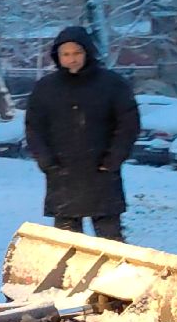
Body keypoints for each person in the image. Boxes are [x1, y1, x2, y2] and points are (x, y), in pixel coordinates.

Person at [24, 25, 140, 242]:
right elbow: (34, 128)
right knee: (67, 245)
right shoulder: (46, 88)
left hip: (102, 175)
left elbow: (128, 124)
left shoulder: (111, 84)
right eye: (66, 54)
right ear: (57, 56)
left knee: (111, 242)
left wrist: (113, 160)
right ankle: (71, 277)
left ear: (87, 52)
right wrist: (47, 162)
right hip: (62, 176)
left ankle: (116, 276)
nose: (72, 59)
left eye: (77, 53)